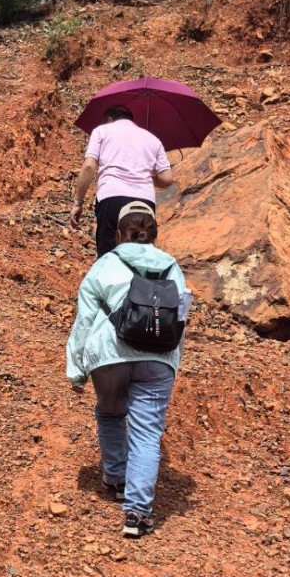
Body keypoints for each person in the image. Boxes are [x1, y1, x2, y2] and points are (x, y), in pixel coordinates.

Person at [65, 202, 189, 539]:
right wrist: (171, 360)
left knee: (110, 413)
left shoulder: (105, 264)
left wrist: (76, 368)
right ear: (154, 234)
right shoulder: (171, 266)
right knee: (147, 433)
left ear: (119, 233)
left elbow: (85, 319)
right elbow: (180, 317)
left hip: (110, 355)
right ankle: (136, 513)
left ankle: (116, 478)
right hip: (158, 358)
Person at [71, 106, 175, 257]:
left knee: (109, 255)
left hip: (112, 197)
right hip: (145, 202)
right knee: (142, 255)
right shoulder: (153, 139)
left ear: (109, 120)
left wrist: (78, 202)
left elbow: (88, 166)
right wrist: (142, 174)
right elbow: (167, 179)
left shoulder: (102, 130)